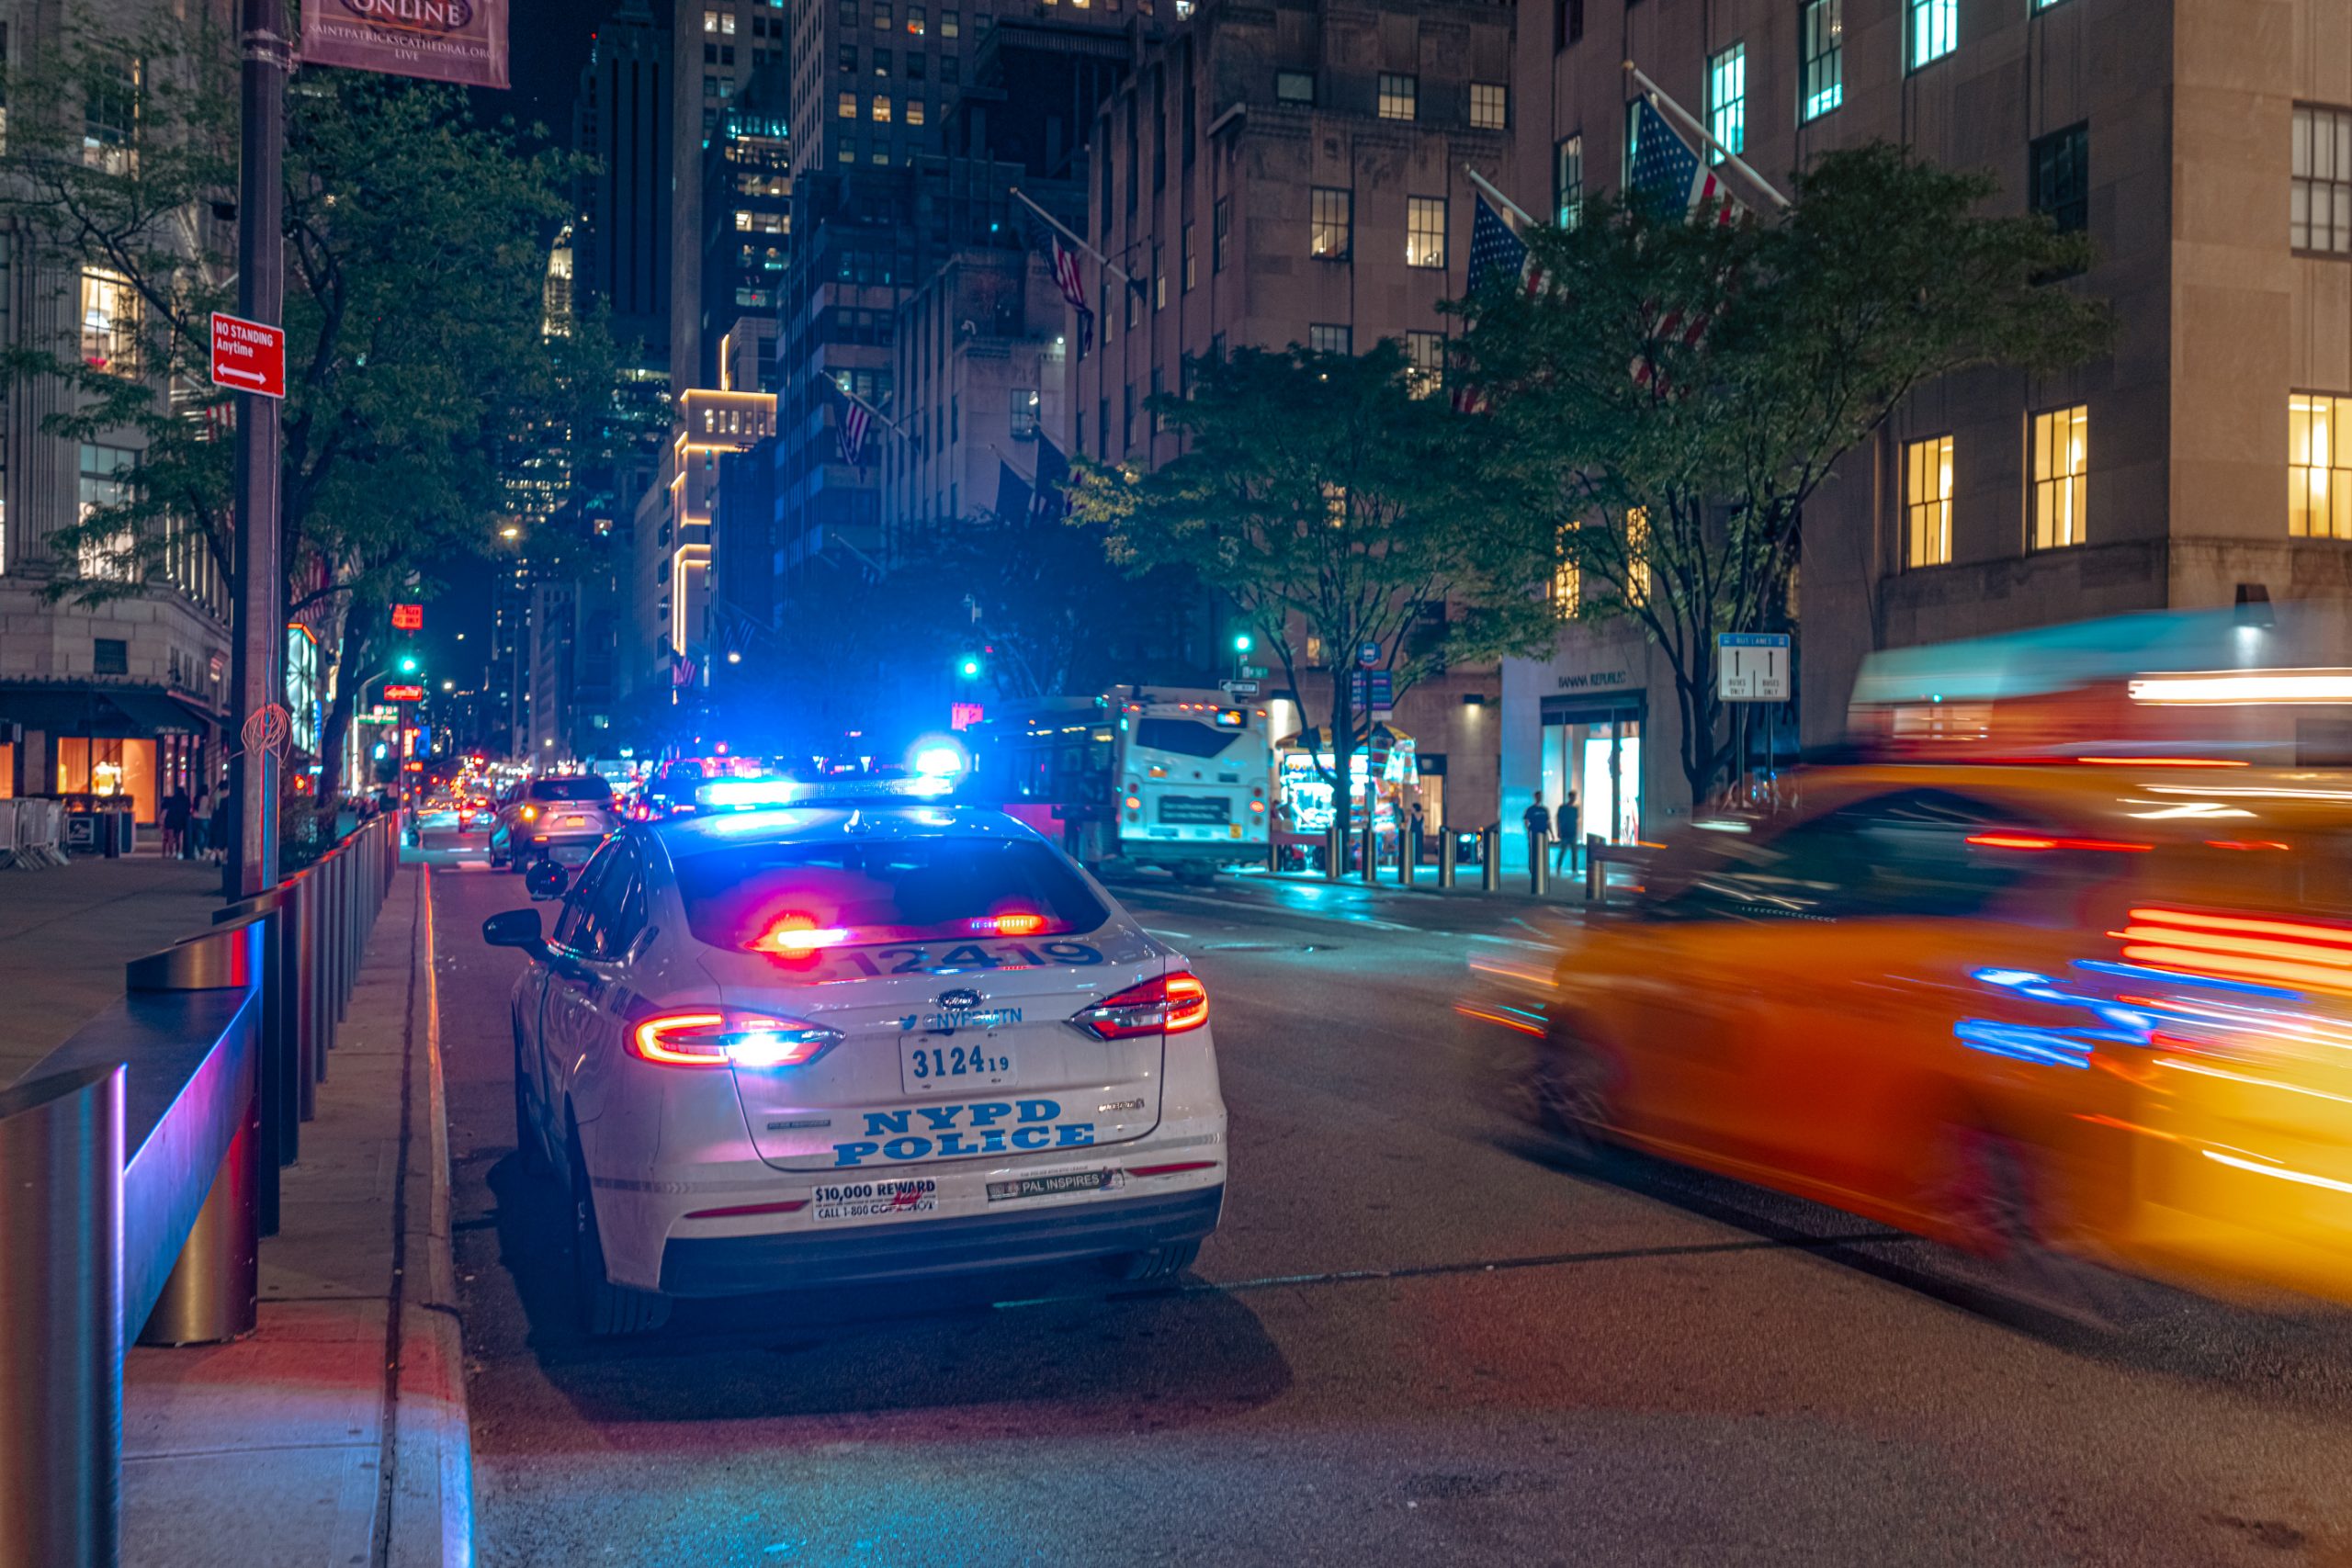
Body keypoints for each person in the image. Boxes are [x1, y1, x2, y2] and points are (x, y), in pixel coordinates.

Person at [160, 784, 190, 861]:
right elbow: (188, 810)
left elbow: (167, 808)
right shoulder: (186, 799)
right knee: (178, 837)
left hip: (170, 819)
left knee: (170, 837)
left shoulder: (172, 799)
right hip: (180, 820)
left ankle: (171, 853)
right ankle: (178, 852)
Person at [1523, 794, 1552, 871]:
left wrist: (1551, 833)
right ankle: (1532, 867)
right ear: (1535, 797)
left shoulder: (1544, 810)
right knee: (1533, 850)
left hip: (1543, 833)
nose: (1540, 798)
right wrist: (1528, 832)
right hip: (1534, 832)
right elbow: (1526, 821)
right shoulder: (1530, 809)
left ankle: (1542, 867)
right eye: (1538, 796)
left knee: (1543, 850)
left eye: (1541, 796)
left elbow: (1548, 822)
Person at [1556, 788, 1580, 875]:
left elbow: (1576, 821)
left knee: (1574, 853)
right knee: (1562, 851)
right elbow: (1558, 820)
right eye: (1573, 797)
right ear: (1569, 797)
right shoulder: (1562, 808)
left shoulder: (1575, 809)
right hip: (1565, 833)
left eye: (1575, 797)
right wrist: (1559, 831)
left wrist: (1577, 833)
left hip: (1572, 833)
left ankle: (1574, 869)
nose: (1574, 799)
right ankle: (1558, 867)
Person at [1408, 801, 1426, 870]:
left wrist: (1406, 834)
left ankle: (1413, 862)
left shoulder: (1411, 817)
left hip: (1412, 834)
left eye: (1412, 808)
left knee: (1412, 848)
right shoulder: (1422, 816)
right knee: (1419, 849)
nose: (1411, 809)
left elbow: (1408, 827)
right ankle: (1420, 862)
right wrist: (1424, 836)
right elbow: (1423, 827)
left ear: (1415, 808)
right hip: (1420, 834)